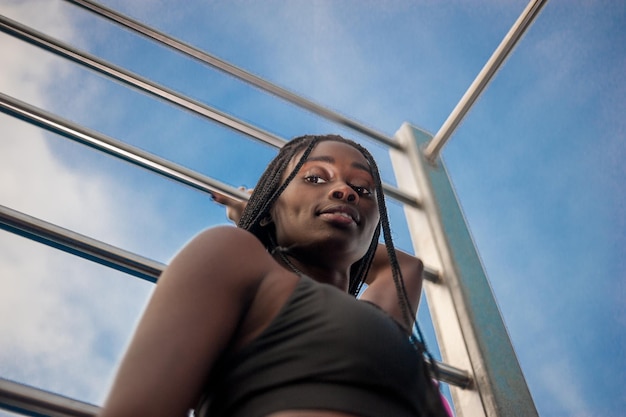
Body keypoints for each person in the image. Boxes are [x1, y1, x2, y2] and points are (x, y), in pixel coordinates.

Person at [98, 134, 449, 417]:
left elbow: (406, 267)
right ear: (270, 206)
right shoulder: (235, 255)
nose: (345, 191)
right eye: (315, 178)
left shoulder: (379, 320)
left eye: (364, 189)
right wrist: (258, 218)